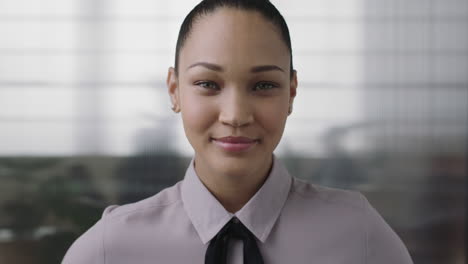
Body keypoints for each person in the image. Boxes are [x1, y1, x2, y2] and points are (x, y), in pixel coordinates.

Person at [62, 0, 414, 263]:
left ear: (291, 92)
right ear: (174, 91)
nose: (235, 115)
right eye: (207, 83)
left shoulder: (359, 236)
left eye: (263, 85)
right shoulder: (111, 248)